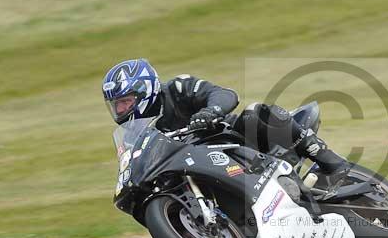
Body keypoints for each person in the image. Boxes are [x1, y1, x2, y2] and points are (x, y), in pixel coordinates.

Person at [101, 58, 350, 182]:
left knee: (256, 111)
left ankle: (333, 162)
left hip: (235, 140)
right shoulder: (135, 134)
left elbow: (223, 94)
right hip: (201, 167)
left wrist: (209, 112)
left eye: (126, 101)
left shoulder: (177, 88)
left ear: (145, 91)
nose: (122, 110)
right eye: (117, 105)